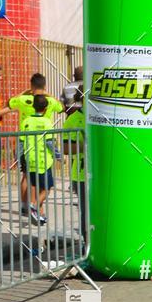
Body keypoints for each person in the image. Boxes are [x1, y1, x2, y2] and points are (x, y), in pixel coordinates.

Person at [6, 74, 63, 214]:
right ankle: (37, 207)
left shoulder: (23, 99)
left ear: (31, 85)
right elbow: (61, 107)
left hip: (27, 144)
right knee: (42, 180)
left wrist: (25, 92)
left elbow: (9, 102)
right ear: (44, 86)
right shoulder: (49, 102)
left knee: (27, 177)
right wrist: (47, 93)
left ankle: (25, 206)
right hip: (43, 148)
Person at [20, 93, 55, 225]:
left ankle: (39, 215)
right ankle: (33, 206)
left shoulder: (26, 121)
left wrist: (20, 157)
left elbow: (21, 141)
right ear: (46, 108)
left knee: (35, 185)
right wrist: (58, 155)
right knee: (46, 189)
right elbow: (50, 142)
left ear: (33, 107)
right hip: (44, 161)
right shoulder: (46, 122)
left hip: (30, 160)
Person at [62, 89, 87, 244]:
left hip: (105, 174)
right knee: (87, 213)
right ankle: (87, 246)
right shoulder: (72, 120)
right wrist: (86, 145)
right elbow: (65, 149)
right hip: (82, 175)